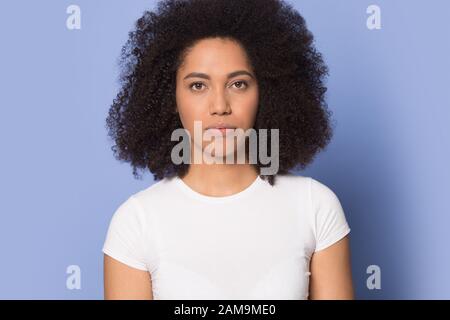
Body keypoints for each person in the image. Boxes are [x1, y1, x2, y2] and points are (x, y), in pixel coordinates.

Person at [102, 0, 354, 300]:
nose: (220, 106)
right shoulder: (136, 223)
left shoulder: (315, 206)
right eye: (198, 86)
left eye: (238, 84)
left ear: (268, 92)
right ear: (170, 98)